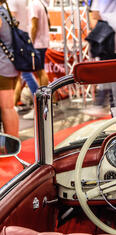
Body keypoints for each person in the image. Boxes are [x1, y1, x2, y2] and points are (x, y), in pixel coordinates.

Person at [21, 0, 50, 119]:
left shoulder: (34, 4)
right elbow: (49, 23)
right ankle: (44, 105)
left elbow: (34, 24)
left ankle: (39, 106)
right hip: (42, 42)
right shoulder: (42, 4)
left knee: (28, 73)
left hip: (37, 44)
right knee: (40, 72)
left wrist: (29, 43)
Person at [9, 0, 38, 110]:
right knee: (20, 75)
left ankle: (39, 104)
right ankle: (13, 104)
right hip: (21, 39)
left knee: (25, 74)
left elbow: (12, 22)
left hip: (17, 41)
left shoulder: (12, 2)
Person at [0, 0, 19, 137]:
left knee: (7, 108)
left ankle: (12, 143)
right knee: (8, 107)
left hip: (3, 66)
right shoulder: (5, 12)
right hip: (10, 64)